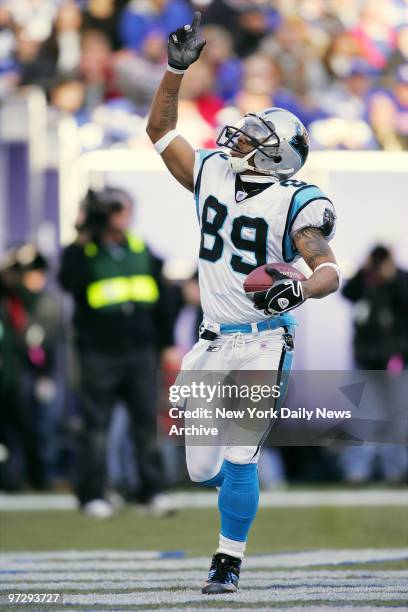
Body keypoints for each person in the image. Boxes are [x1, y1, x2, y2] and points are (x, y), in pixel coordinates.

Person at [146, 12, 340, 594]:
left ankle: (227, 563)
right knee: (200, 466)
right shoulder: (210, 169)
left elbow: (327, 270)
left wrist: (299, 288)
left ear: (275, 157)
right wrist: (175, 72)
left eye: (256, 136)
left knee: (239, 454)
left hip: (263, 334)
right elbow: (159, 132)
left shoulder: (297, 203)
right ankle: (227, 524)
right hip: (211, 335)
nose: (241, 135)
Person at [59, 187, 176, 518]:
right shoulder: (84, 251)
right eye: (116, 210)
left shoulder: (141, 250)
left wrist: (166, 343)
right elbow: (68, 280)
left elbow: (162, 302)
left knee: (145, 425)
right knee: (95, 427)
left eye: (125, 209)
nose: (123, 216)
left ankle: (151, 491)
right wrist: (84, 233)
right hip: (98, 352)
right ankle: (92, 494)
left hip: (140, 351)